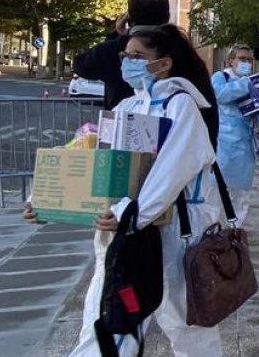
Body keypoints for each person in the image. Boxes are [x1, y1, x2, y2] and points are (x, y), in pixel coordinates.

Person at [26, 24, 224, 356]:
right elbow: (89, 156)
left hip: (173, 234)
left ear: (163, 64)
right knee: (109, 320)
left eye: (137, 56)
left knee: (187, 326)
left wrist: (130, 214)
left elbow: (170, 172)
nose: (126, 62)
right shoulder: (127, 108)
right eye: (125, 55)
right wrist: (43, 199)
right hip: (125, 237)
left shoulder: (181, 107)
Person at [72, 0, 170, 110]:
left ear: (129, 16)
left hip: (122, 121)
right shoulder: (181, 49)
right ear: (167, 17)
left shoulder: (113, 48)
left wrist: (116, 36)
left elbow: (81, 66)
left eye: (136, 56)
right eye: (127, 56)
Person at [211, 45, 258, 226]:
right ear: (231, 60)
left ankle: (234, 230)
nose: (247, 62)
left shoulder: (252, 81)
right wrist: (245, 84)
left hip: (245, 143)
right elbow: (220, 94)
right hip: (222, 142)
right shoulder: (220, 77)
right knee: (217, 190)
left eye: (249, 59)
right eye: (242, 58)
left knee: (242, 192)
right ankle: (216, 229)